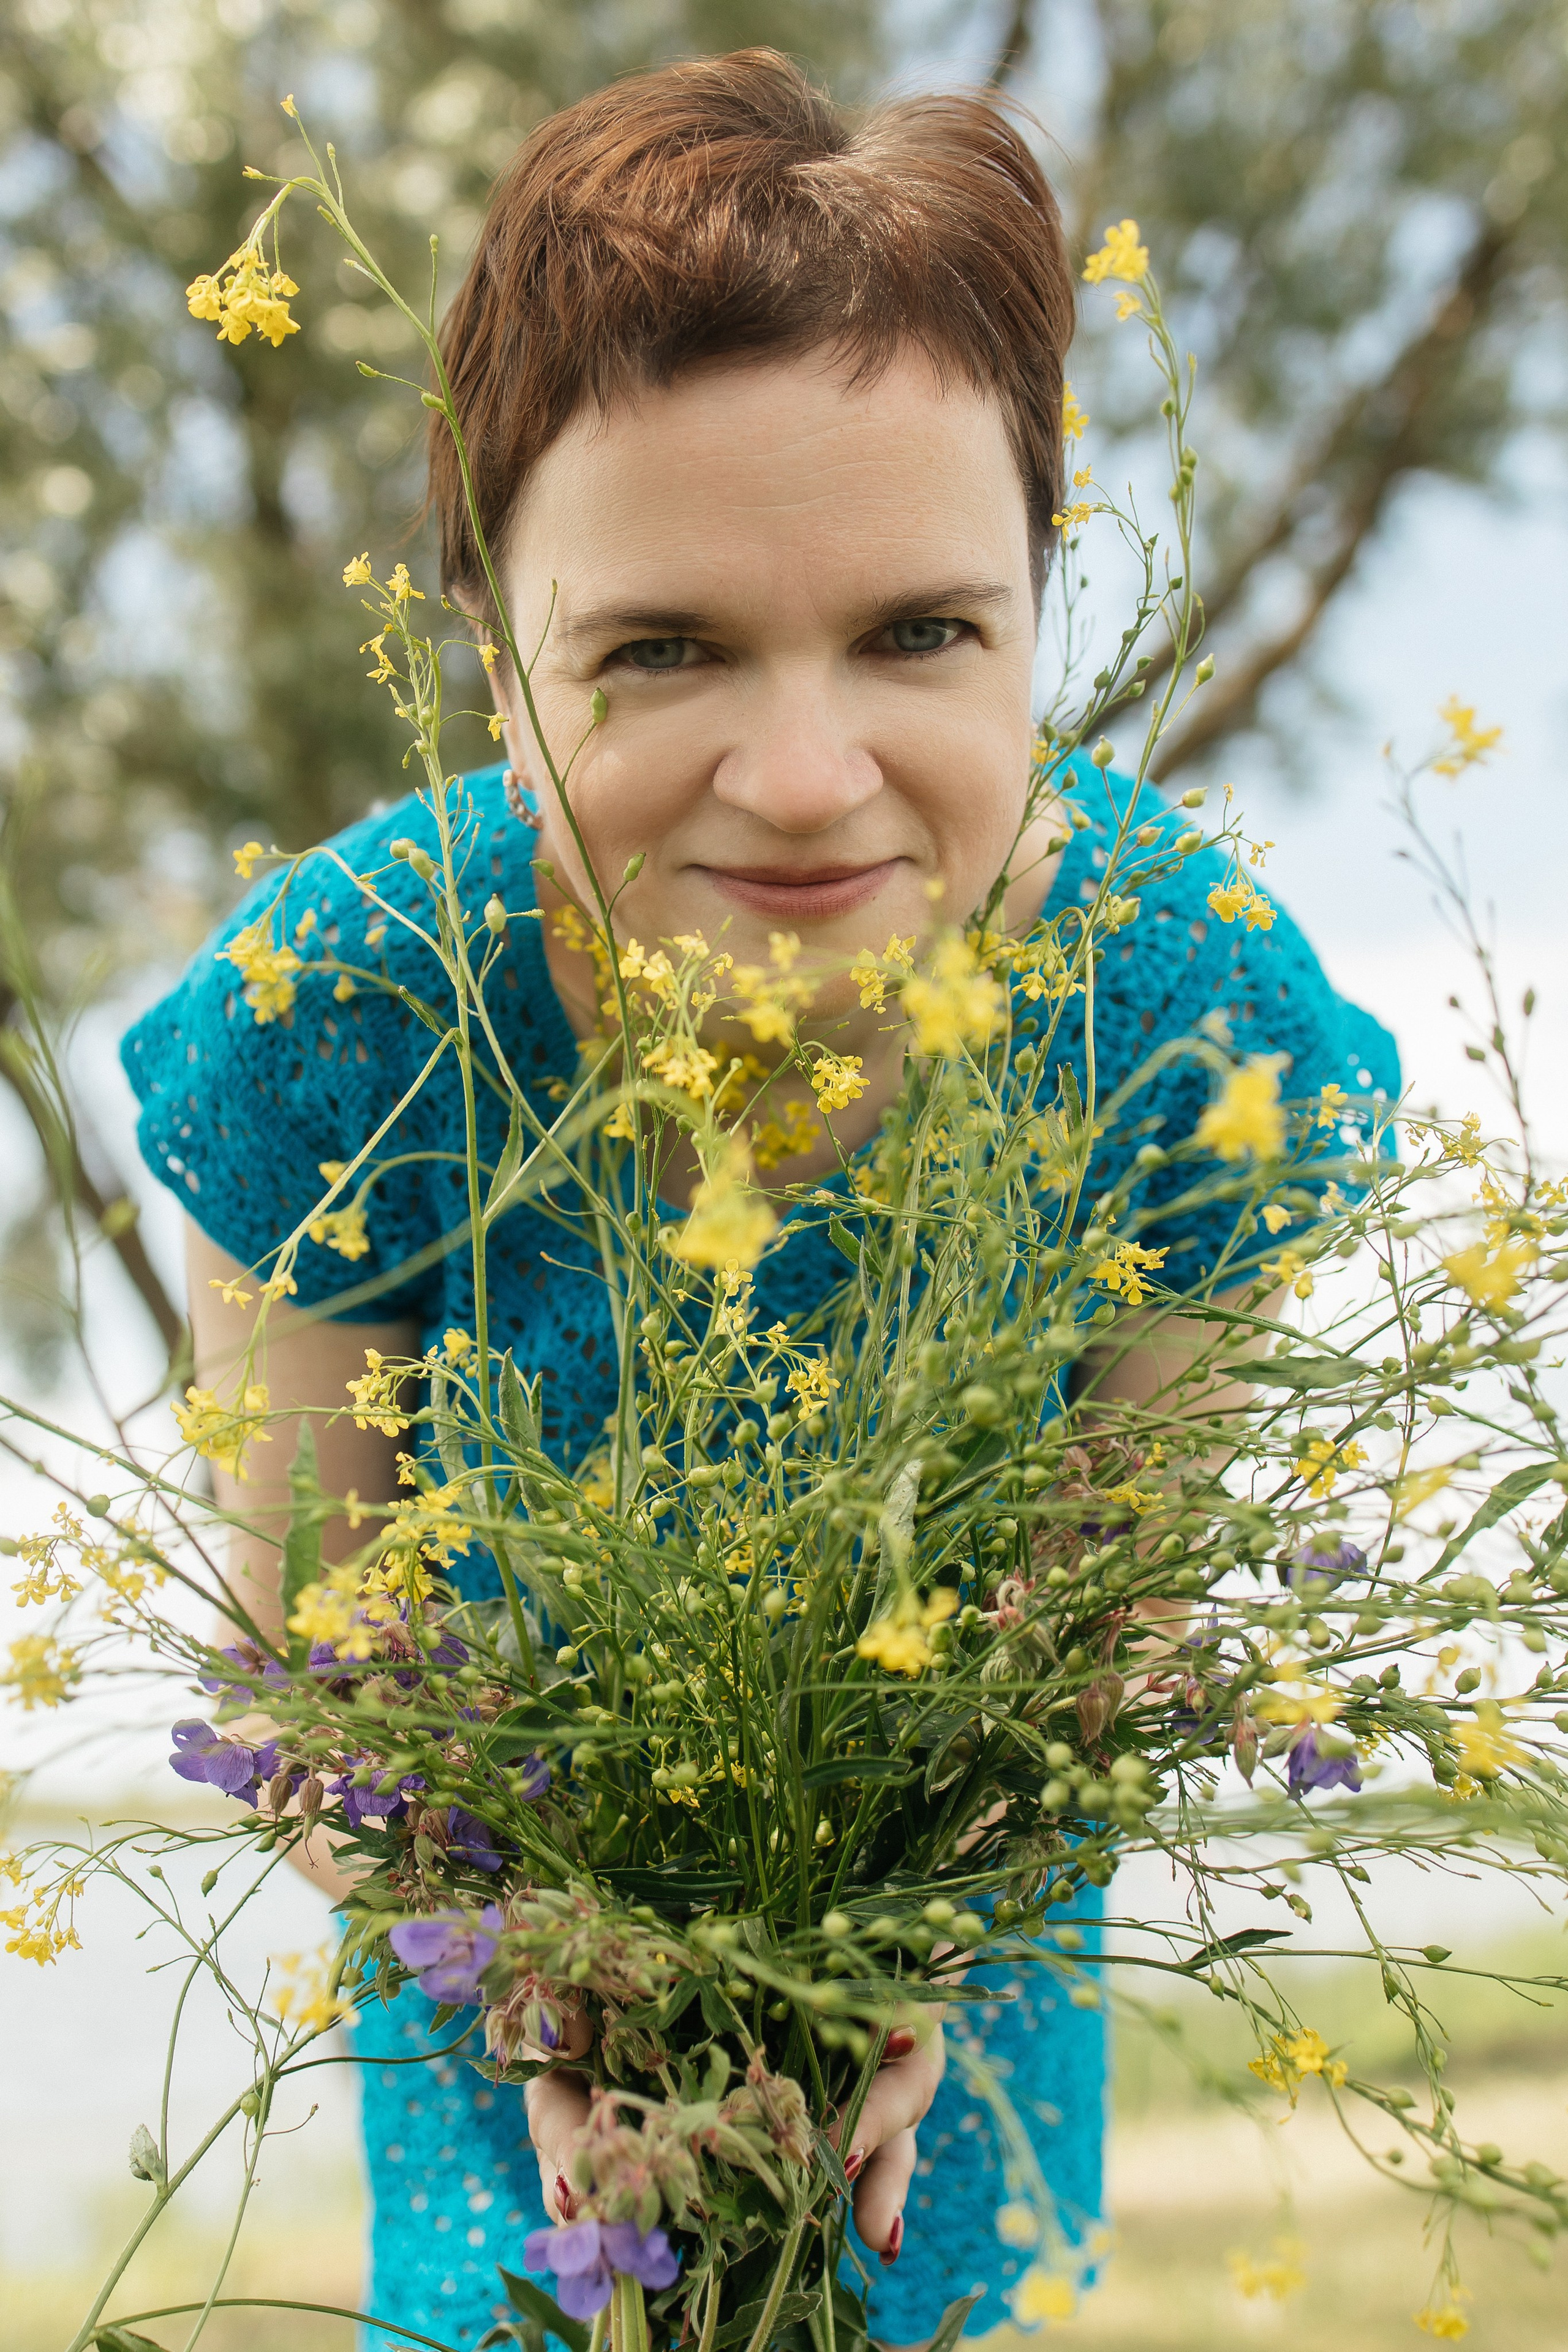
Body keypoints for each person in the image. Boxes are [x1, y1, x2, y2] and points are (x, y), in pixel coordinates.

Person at [122, 48, 1398, 2351]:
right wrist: (560, 1997)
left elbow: (1110, 1627)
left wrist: (899, 1957)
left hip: (963, 2011)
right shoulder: (349, 1009)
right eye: (663, 649)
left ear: (1042, 616)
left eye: (921, 632)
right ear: (493, 664)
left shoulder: (1190, 1012)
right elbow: (319, 1666)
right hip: (514, 2054)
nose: (807, 783)